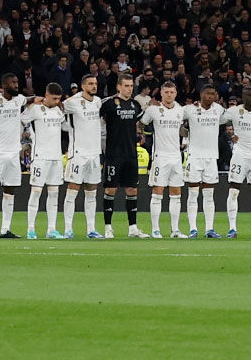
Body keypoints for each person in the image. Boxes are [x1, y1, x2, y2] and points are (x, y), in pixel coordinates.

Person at [99, 74, 146, 238]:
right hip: (113, 154)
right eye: (126, 86)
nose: (129, 89)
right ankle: (107, 227)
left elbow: (139, 122)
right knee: (111, 189)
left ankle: (133, 228)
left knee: (132, 189)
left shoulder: (135, 105)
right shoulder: (109, 103)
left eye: (131, 86)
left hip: (131, 154)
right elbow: (95, 118)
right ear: (119, 87)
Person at [0, 73, 29, 238]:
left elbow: (29, 99)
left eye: (17, 82)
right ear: (4, 85)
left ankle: (5, 229)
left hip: (13, 153)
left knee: (10, 191)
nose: (17, 85)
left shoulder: (19, 99)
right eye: (13, 82)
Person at [64, 75, 106, 238]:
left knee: (92, 191)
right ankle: (68, 229)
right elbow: (56, 107)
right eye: (90, 84)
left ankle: (91, 229)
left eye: (95, 83)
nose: (94, 86)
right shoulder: (72, 102)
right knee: (72, 190)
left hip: (94, 154)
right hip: (78, 154)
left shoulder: (97, 102)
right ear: (83, 86)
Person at [23, 84, 67, 239]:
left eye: (59, 99)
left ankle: (51, 229)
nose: (56, 101)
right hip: (40, 157)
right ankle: (30, 229)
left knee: (54, 193)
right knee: (36, 193)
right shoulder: (35, 109)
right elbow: (21, 121)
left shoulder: (59, 110)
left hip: (56, 157)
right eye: (54, 98)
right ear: (46, 95)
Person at [145, 81, 187, 238]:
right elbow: (141, 124)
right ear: (161, 93)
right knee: (157, 191)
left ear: (175, 94)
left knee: (176, 193)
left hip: (176, 157)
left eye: (172, 92)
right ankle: (155, 229)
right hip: (160, 157)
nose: (169, 95)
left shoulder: (181, 110)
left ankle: (175, 230)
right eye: (166, 92)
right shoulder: (153, 110)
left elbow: (184, 129)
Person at [183, 84, 225, 237]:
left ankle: (209, 229)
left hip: (211, 157)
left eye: (213, 94)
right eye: (207, 94)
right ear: (201, 95)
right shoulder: (189, 109)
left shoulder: (219, 109)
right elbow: (175, 119)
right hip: (194, 156)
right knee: (193, 193)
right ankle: (193, 229)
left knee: (209, 194)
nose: (210, 97)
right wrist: (184, 133)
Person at [225, 85, 251, 237]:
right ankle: (232, 229)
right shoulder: (234, 111)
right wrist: (229, 135)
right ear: (242, 97)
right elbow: (217, 121)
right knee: (234, 190)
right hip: (240, 155)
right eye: (248, 95)